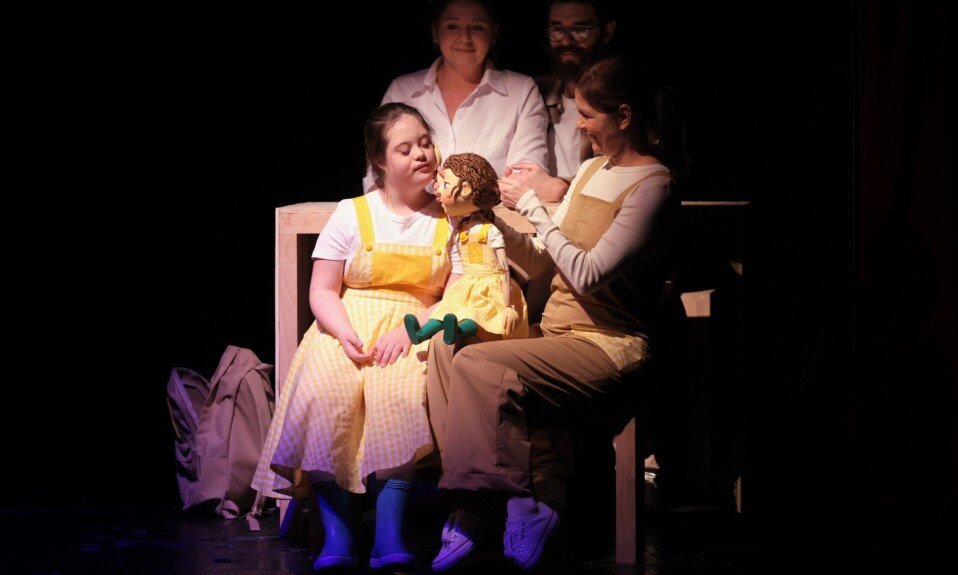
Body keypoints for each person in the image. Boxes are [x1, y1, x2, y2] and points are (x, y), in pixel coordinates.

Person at [425, 53, 688, 571]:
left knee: (479, 365)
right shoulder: (590, 170)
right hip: (557, 333)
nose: (579, 125)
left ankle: (504, 503)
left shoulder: (653, 186)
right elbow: (546, 261)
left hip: (607, 343)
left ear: (624, 116)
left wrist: (535, 208)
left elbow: (588, 273)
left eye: (588, 114)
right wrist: (494, 225)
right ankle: (487, 500)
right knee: (447, 346)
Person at [251, 102, 462, 572]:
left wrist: (411, 332)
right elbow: (322, 290)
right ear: (380, 161)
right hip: (347, 326)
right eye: (405, 149)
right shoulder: (353, 213)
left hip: (412, 331)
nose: (421, 154)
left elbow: (455, 295)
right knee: (325, 394)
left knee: (398, 399)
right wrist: (344, 333)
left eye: (425, 143)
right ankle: (339, 536)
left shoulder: (450, 219)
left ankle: (388, 537)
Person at [362, 0, 549, 193]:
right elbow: (378, 175)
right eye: (452, 26)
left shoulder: (521, 90)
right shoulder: (402, 90)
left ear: (494, 33)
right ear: (435, 32)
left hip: (495, 211)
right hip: (410, 212)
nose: (465, 38)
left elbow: (526, 177)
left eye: (477, 27)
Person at [405, 152, 529, 344]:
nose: (439, 191)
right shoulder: (461, 230)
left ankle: (458, 332)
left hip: (491, 287)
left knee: (477, 315)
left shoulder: (490, 231)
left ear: (465, 190)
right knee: (446, 308)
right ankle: (420, 334)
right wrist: (441, 178)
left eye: (446, 186)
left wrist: (507, 306)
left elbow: (504, 270)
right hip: (468, 283)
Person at [504, 0, 618, 203]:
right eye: (557, 30)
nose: (566, 41)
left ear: (607, 31)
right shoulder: (532, 93)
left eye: (579, 30)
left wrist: (565, 186)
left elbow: (641, 173)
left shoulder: (628, 100)